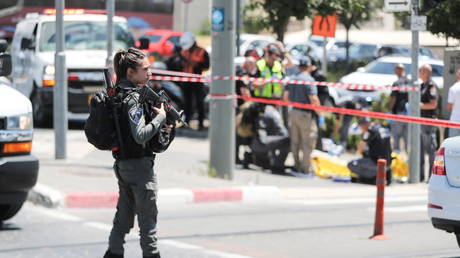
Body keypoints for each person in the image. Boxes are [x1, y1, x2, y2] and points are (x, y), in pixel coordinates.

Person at [103, 48, 174, 258]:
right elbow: (141, 135)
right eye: (145, 69)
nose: (149, 73)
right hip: (140, 169)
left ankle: (113, 254)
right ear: (131, 73)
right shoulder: (133, 99)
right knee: (148, 224)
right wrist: (160, 118)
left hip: (124, 166)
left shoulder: (118, 94)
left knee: (122, 219)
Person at [282, 56, 320, 174]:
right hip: (305, 114)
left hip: (293, 112)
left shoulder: (293, 78)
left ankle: (296, 165)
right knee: (307, 142)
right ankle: (305, 169)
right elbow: (313, 98)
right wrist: (320, 112)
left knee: (295, 141)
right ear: (309, 67)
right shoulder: (309, 80)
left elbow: (285, 98)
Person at [179, 31, 210, 130]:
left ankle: (201, 123)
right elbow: (178, 64)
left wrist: (195, 64)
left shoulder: (202, 51)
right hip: (186, 80)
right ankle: (186, 121)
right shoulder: (184, 51)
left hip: (197, 80)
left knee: (199, 101)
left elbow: (206, 66)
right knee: (186, 102)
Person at [348, 118, 392, 185]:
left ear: (363, 126)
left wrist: (363, 138)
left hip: (377, 163)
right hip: (388, 163)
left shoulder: (369, 131)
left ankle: (371, 178)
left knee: (351, 164)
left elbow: (360, 149)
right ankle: (382, 174)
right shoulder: (382, 128)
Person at [250, 103, 290, 174]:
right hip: (263, 143)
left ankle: (271, 161)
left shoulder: (261, 110)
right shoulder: (274, 113)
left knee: (275, 139)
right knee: (287, 140)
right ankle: (278, 165)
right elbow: (283, 133)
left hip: (254, 143)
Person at [419, 64, 438, 182]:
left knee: (430, 149)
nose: (419, 73)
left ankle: (432, 176)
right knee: (420, 150)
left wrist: (419, 106)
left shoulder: (431, 86)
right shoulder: (422, 85)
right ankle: (420, 176)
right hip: (421, 121)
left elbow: (433, 104)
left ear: (426, 72)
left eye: (421, 71)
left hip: (428, 121)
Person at [389, 63, 410, 153]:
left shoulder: (396, 83)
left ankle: (396, 155)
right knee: (406, 137)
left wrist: (390, 109)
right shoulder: (410, 82)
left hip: (399, 113)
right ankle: (407, 156)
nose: (395, 72)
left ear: (399, 70)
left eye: (396, 70)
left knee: (396, 135)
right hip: (409, 114)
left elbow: (393, 98)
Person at [447, 69, 460, 137]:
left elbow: (449, 107)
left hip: (455, 121)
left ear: (457, 76)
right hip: (455, 121)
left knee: (453, 144)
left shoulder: (453, 88)